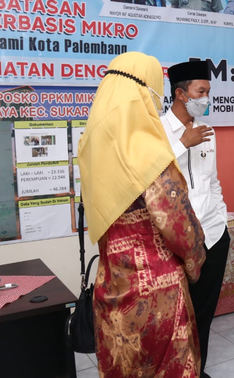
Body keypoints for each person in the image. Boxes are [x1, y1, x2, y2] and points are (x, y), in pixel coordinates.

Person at [78, 52, 206, 377]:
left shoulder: (91, 148)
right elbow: (179, 226)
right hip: (157, 295)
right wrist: (195, 262)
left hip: (112, 287)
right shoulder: (148, 153)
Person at [162, 60, 229, 378]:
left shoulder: (208, 131)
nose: (206, 98)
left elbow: (212, 181)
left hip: (213, 235)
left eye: (208, 91)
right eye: (201, 92)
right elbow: (148, 178)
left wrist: (221, 219)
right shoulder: (157, 132)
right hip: (174, 242)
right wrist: (180, 145)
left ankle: (196, 370)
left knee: (203, 311)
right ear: (180, 94)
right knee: (174, 314)